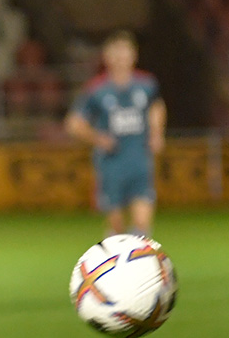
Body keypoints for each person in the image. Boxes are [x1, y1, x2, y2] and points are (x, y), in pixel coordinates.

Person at [65, 30, 166, 236]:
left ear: (133, 55)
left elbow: (157, 107)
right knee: (117, 229)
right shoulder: (96, 90)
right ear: (107, 57)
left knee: (141, 226)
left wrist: (156, 133)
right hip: (111, 164)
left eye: (125, 52)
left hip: (139, 159)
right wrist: (97, 138)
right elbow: (73, 123)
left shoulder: (146, 85)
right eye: (116, 53)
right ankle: (114, 263)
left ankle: (140, 266)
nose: (121, 58)